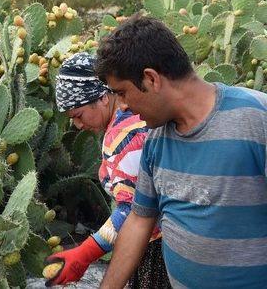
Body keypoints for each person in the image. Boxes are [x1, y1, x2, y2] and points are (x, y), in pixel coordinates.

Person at [96, 15, 267, 288]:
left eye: (123, 93)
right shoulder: (155, 138)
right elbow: (140, 220)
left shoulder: (255, 117)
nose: (123, 106)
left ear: (151, 79)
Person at [45, 52, 170, 288]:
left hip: (155, 247)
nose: (78, 126)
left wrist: (85, 252)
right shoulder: (136, 116)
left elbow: (135, 211)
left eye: (79, 115)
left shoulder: (121, 137)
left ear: (103, 97)